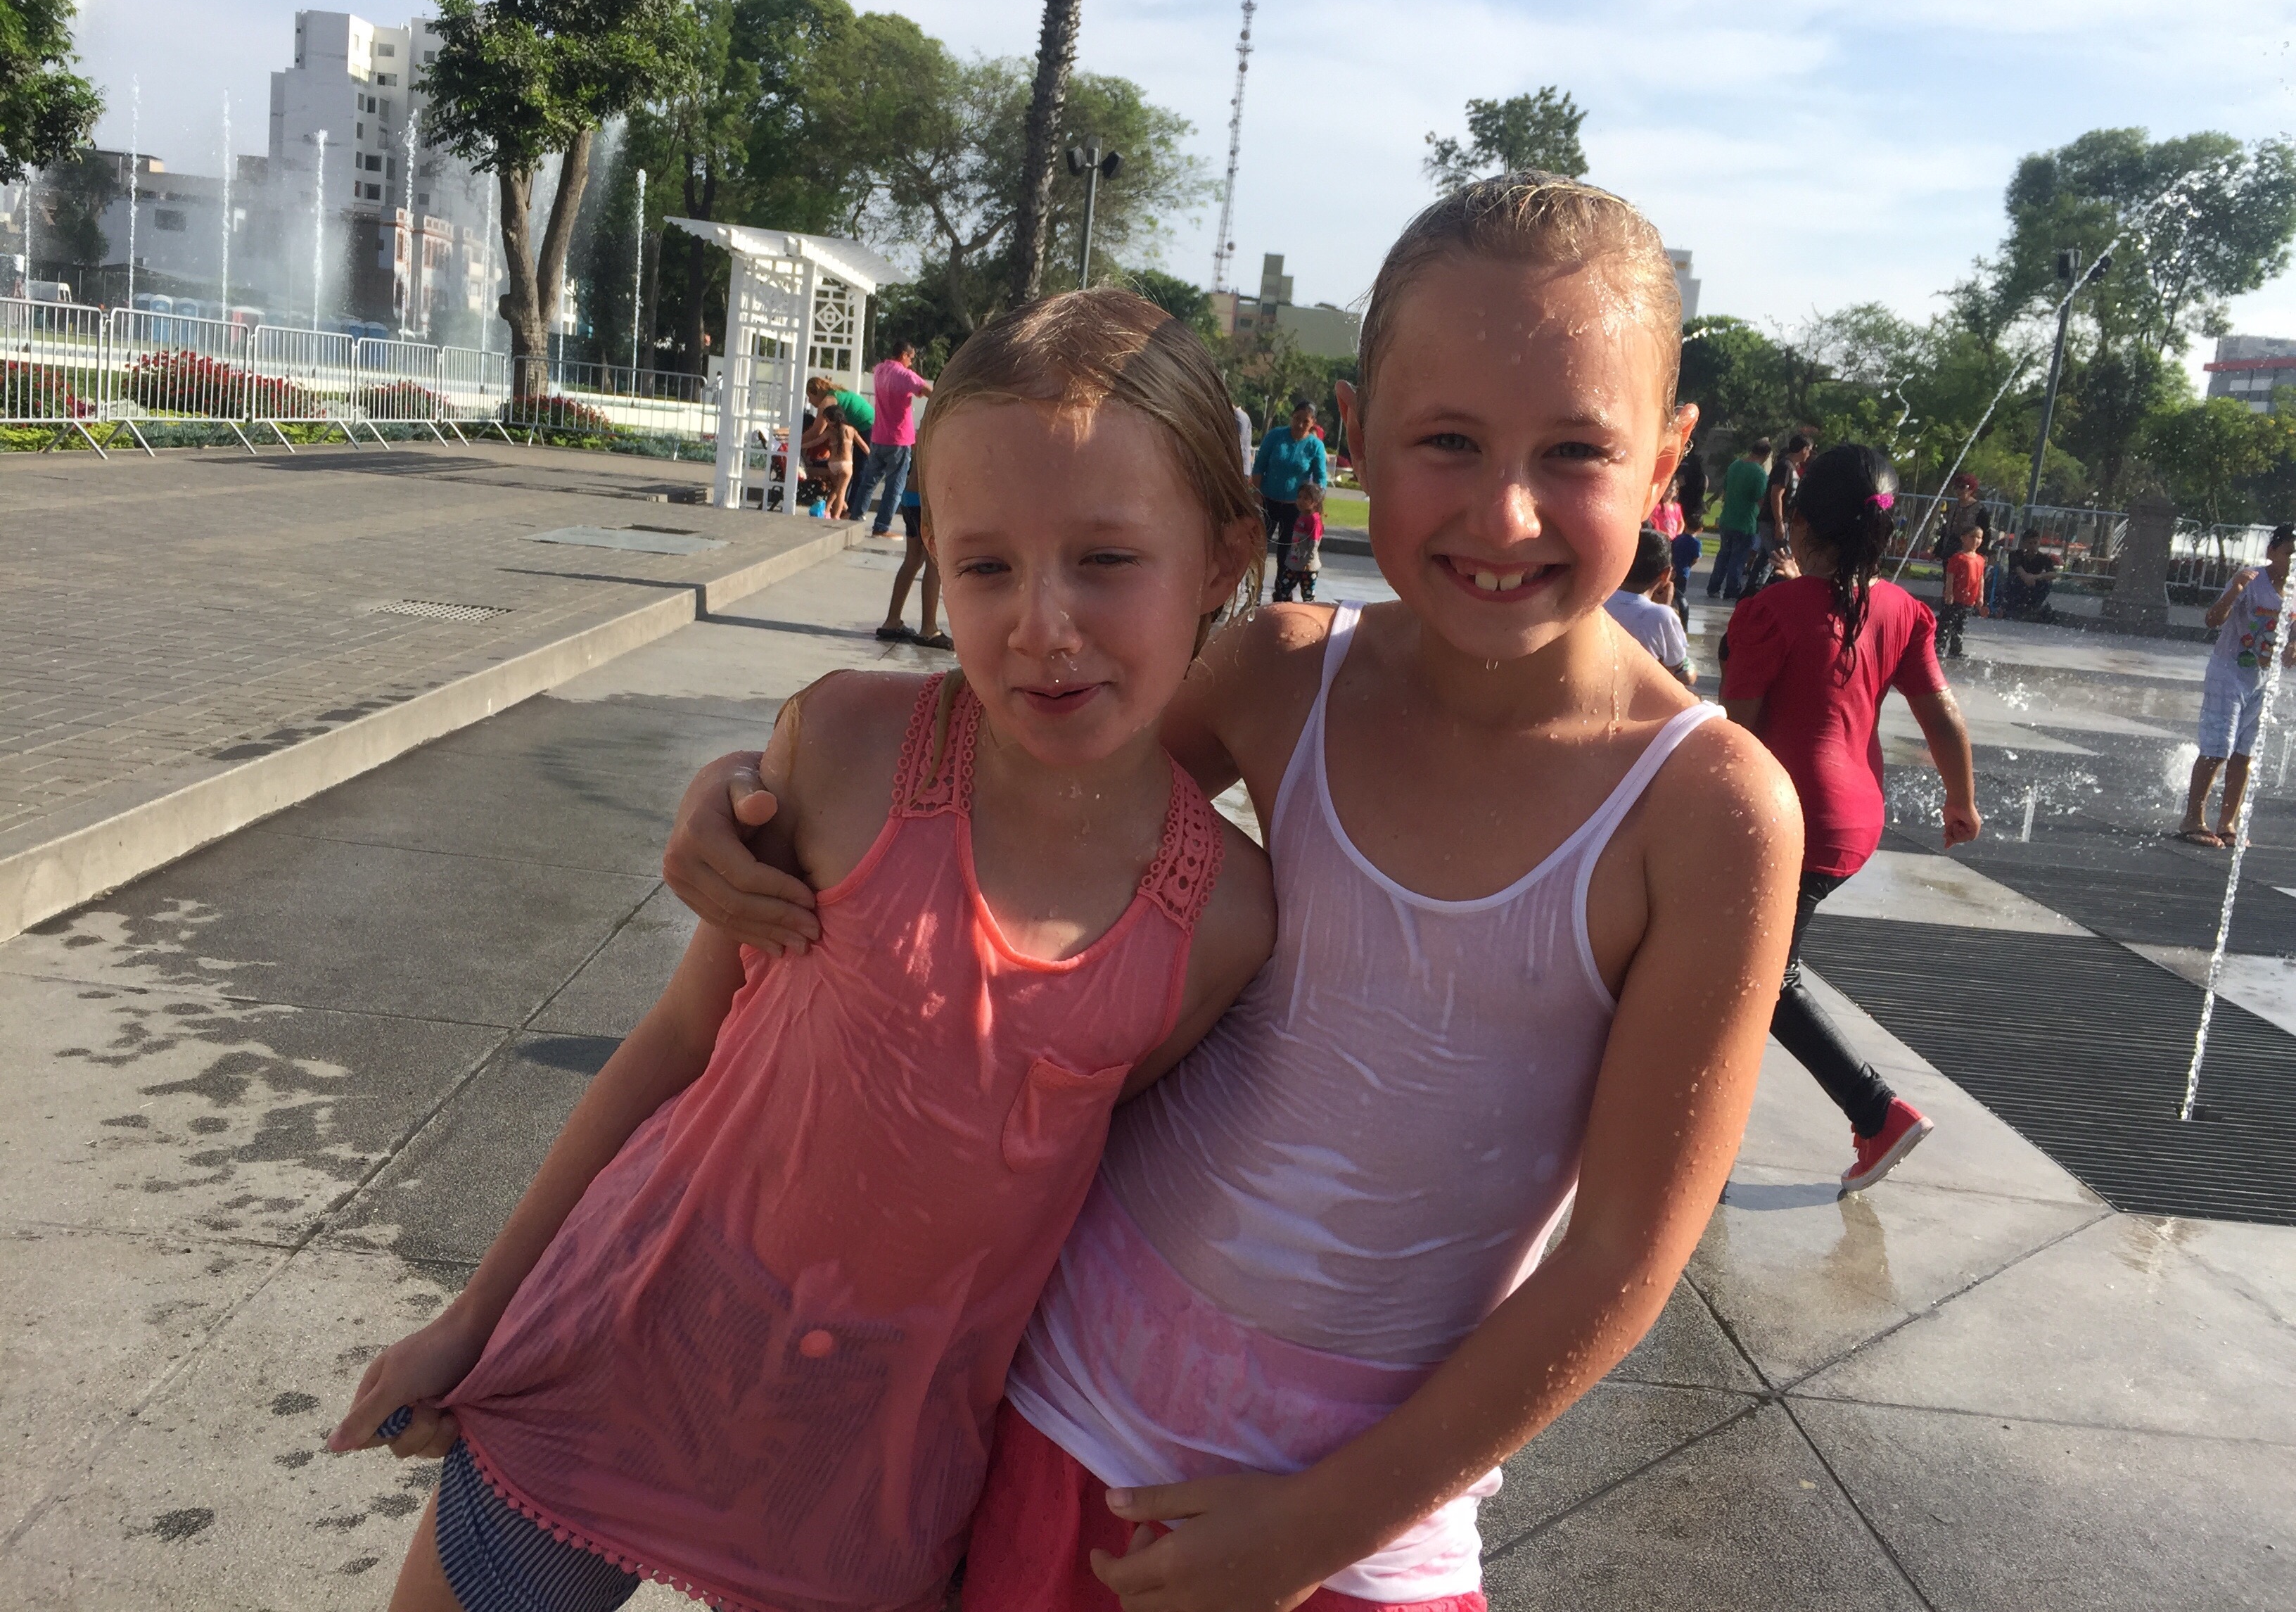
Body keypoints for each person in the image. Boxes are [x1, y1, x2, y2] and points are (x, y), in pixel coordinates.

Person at [661, 173, 1803, 1611]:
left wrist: (1311, 1531)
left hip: (1361, 1526)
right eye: (1447, 440)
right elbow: (1008, 786)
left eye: (1574, 449)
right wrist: (747, 791)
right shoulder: (1283, 675)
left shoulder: (1704, 813)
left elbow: (1624, 1258)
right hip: (1064, 1406)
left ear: (1665, 459)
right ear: (1357, 435)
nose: (1504, 511)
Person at [329, 290, 1275, 1612]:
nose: (1042, 625)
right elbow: (677, 1040)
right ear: (930, 554)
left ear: (1224, 558)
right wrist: (471, 1317)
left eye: (1106, 560)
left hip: (864, 1467)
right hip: (628, 1346)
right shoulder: (842, 748)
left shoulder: (1222, 918)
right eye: (985, 567)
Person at [1721, 444, 1980, 1194]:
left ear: (1799, 525)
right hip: (1855, 822)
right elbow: (1943, 717)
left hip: (1785, 822)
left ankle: (1877, 1113)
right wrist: (1960, 800)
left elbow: (1736, 738)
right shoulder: (1901, 610)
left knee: (1759, 980)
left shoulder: (1770, 613)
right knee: (1754, 972)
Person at [2178, 524, 2295, 848]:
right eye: (2290, 553)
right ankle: (2192, 819)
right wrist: (2235, 590)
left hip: (2264, 680)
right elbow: (2213, 620)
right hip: (2228, 673)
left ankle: (2227, 822)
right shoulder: (2251, 580)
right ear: (2271, 552)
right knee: (2217, 748)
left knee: (2245, 753)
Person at [848, 341, 933, 536]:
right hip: (899, 438)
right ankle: (882, 526)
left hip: (879, 435)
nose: (911, 363)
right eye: (911, 358)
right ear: (904, 355)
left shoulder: (880, 370)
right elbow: (929, 391)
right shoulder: (905, 375)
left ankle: (856, 517)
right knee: (895, 485)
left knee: (869, 481)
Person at [1609, 526, 1694, 684]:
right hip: (1637, 690)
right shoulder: (1661, 616)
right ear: (1665, 574)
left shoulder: (1599, 601)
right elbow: (1681, 670)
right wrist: (1667, 608)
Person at [1251, 398, 1328, 565]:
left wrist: (1315, 505)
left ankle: (1283, 582)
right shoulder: (1275, 436)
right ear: (1292, 416)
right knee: (1259, 546)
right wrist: (1256, 493)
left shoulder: (1315, 446)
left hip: (1295, 506)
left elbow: (1321, 479)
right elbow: (1259, 466)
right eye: (1297, 419)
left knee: (1287, 553)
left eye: (1306, 421)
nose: (1300, 425)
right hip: (1267, 501)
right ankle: (1255, 579)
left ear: (1313, 423)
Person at [875, 473, 949, 647]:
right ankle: (929, 628)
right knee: (934, 562)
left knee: (913, 559)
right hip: (928, 499)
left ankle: (892, 621)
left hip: (910, 497)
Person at [1745, 431, 1812, 595]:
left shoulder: (1792, 468)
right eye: (1809, 450)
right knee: (1780, 558)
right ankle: (1762, 593)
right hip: (1772, 521)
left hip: (1780, 521)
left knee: (1765, 559)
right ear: (1803, 449)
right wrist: (1779, 523)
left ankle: (1752, 591)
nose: (1809, 454)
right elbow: (1776, 495)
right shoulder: (1785, 467)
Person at [1709, 438, 1771, 599]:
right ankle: (1731, 590)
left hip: (1727, 518)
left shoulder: (1735, 465)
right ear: (1766, 455)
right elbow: (1761, 499)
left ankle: (1713, 587)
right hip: (1746, 522)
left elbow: (1726, 489)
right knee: (1738, 559)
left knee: (1723, 555)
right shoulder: (1759, 473)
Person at [1937, 521, 1986, 658]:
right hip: (1955, 598)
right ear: (1963, 538)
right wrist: (1949, 593)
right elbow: (1950, 576)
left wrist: (1980, 596)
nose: (1976, 540)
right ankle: (1939, 647)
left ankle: (1955, 650)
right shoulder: (1958, 558)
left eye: (1979, 537)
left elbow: (1981, 579)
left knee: (1961, 625)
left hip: (1969, 600)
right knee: (1946, 623)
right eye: (1972, 537)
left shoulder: (1980, 560)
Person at [803, 397, 857, 521]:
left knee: (836, 488)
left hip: (833, 464)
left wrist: (801, 445)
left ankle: (829, 509)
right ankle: (836, 515)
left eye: (827, 420)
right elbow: (863, 446)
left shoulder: (830, 433)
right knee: (841, 491)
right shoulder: (851, 430)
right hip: (847, 464)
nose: (826, 423)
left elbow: (816, 441)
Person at [1273, 478, 1325, 603]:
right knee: (1284, 588)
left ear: (1315, 502)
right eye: (1299, 497)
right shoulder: (1301, 516)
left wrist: (1309, 561)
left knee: (1307, 594)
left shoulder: (1314, 520)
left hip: (1308, 566)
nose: (1301, 501)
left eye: (1306, 498)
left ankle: (1308, 611)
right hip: (1294, 563)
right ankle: (1286, 608)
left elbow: (1314, 543)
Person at [1999, 527, 2058, 619]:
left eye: (2035, 543)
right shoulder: (2016, 555)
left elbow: (2053, 574)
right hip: (2018, 584)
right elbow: (2019, 570)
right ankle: (2015, 606)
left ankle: (2034, 607)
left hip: (2034, 583)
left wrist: (2036, 577)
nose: (2033, 546)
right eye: (2030, 543)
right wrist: (2028, 577)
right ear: (2025, 544)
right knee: (2014, 581)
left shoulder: (2044, 558)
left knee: (2047, 583)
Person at [806, 372, 876, 440]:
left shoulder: (828, 402)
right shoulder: (836, 393)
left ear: (816, 392)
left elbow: (816, 431)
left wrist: (800, 442)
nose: (809, 401)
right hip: (871, 422)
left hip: (867, 426)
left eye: (810, 397)